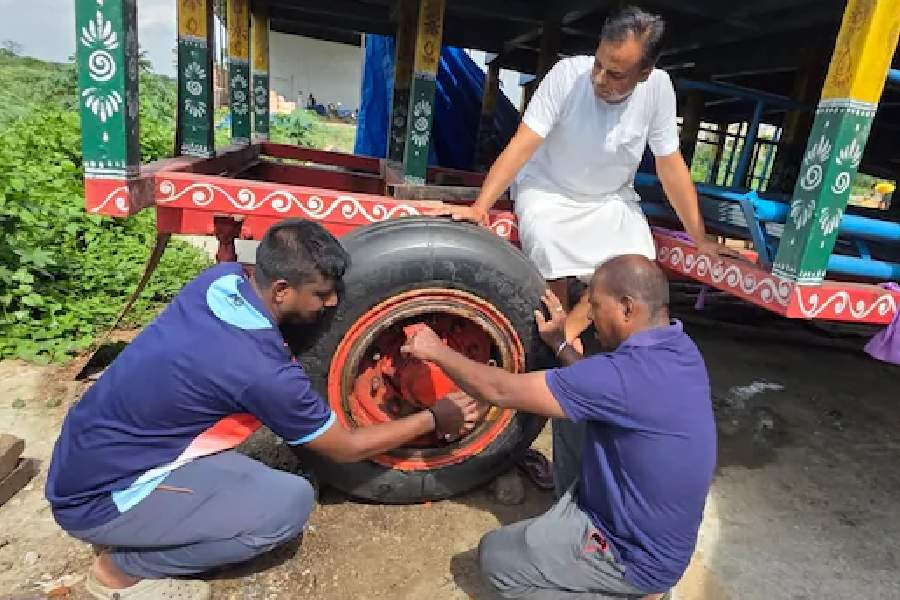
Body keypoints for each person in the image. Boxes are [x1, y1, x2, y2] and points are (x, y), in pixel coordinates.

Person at [45, 219, 478, 600]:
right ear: (282, 289)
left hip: (89, 451)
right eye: (322, 295)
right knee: (286, 506)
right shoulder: (258, 370)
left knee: (260, 477)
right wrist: (433, 417)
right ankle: (122, 571)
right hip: (98, 498)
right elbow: (344, 448)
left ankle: (146, 526)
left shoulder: (220, 281)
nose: (330, 304)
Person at [433, 5, 735, 495]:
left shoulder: (658, 91)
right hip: (549, 191)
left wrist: (699, 236)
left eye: (616, 74)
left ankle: (565, 339)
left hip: (611, 200)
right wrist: (480, 207)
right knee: (548, 250)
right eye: (599, 63)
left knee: (634, 262)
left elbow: (670, 164)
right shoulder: (567, 75)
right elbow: (522, 145)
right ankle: (547, 349)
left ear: (645, 72)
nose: (600, 78)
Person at [401, 255, 717, 599]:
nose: (591, 317)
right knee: (569, 415)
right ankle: (572, 530)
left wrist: (436, 350)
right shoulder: (679, 348)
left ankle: (635, 593)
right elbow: (596, 388)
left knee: (496, 558)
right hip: (657, 536)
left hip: (629, 556)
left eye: (596, 305)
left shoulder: (623, 376)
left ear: (628, 308)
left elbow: (501, 390)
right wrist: (560, 344)